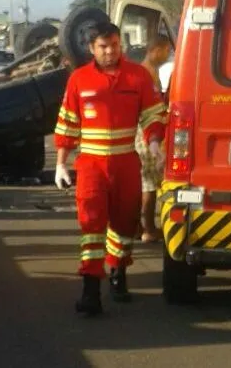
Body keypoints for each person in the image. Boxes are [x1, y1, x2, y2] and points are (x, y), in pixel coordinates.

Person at [54, 22, 166, 316]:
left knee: (125, 223)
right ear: (92, 48)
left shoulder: (137, 76)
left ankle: (118, 271)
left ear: (121, 45)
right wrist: (60, 163)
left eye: (114, 45)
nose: (109, 51)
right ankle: (91, 290)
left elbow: (153, 114)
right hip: (90, 164)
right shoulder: (79, 80)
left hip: (126, 161)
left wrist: (155, 142)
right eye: (103, 47)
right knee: (91, 224)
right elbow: (68, 123)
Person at [135, 35, 171, 243]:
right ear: (156, 49)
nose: (168, 55)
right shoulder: (145, 73)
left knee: (148, 183)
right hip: (146, 134)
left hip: (150, 133)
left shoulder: (150, 72)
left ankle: (140, 226)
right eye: (166, 50)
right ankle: (148, 228)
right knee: (148, 185)